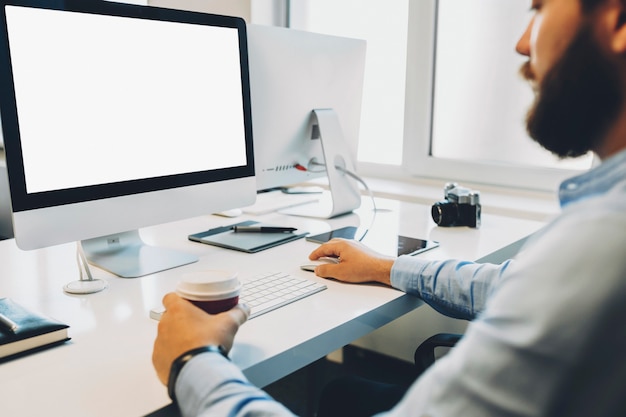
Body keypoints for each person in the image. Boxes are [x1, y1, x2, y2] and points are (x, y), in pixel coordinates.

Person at [152, 0, 626, 415]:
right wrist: (387, 268)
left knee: (341, 397)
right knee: (343, 395)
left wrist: (193, 362)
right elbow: (516, 285)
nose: (523, 44)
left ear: (618, 20)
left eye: (538, 7)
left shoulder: (603, 238)